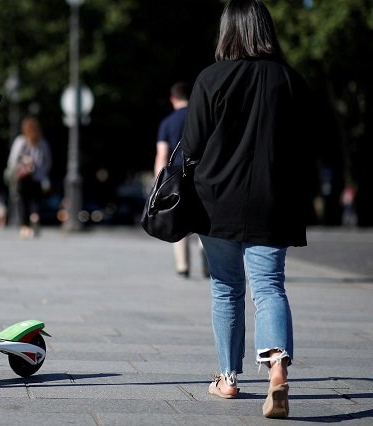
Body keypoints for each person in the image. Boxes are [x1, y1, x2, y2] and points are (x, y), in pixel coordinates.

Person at [181, 0, 313, 418]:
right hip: (273, 201)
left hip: (215, 201)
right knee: (270, 286)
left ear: (227, 32)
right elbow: (307, 147)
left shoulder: (210, 79)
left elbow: (193, 144)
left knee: (225, 287)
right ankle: (277, 369)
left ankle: (228, 379)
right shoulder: (290, 80)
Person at [154, 82, 208, 278]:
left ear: (172, 99)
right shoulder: (201, 118)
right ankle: (207, 256)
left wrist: (159, 183)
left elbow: (162, 154)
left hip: (177, 177)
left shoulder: (167, 122)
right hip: (201, 174)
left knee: (178, 218)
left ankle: (183, 266)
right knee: (203, 219)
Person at [6, 116, 52, 238]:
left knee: (22, 202)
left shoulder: (21, 141)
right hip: (38, 178)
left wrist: (16, 169)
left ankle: (25, 228)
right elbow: (48, 162)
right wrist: (42, 173)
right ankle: (35, 217)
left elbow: (13, 160)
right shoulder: (42, 143)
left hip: (23, 178)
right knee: (35, 202)